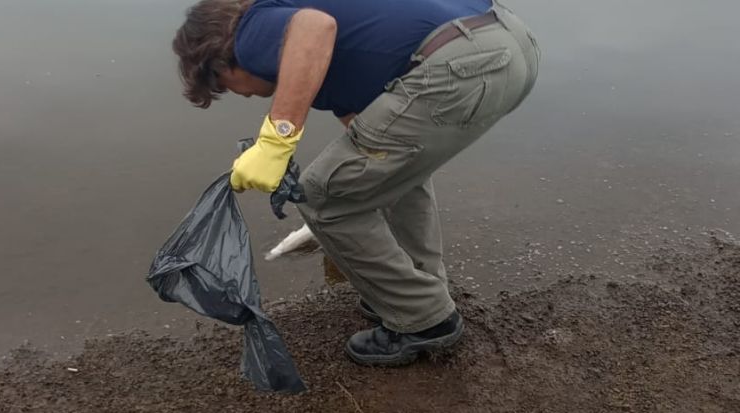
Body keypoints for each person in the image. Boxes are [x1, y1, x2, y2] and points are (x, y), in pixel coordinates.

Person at [173, 0, 540, 366]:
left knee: (319, 196)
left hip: (462, 63)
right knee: (389, 178)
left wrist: (276, 141)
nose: (243, 94)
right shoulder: (335, 48)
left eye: (224, 85)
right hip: (509, 43)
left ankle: (424, 318)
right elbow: (377, 156)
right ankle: (411, 288)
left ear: (220, 61)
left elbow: (314, 28)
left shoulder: (249, 32)